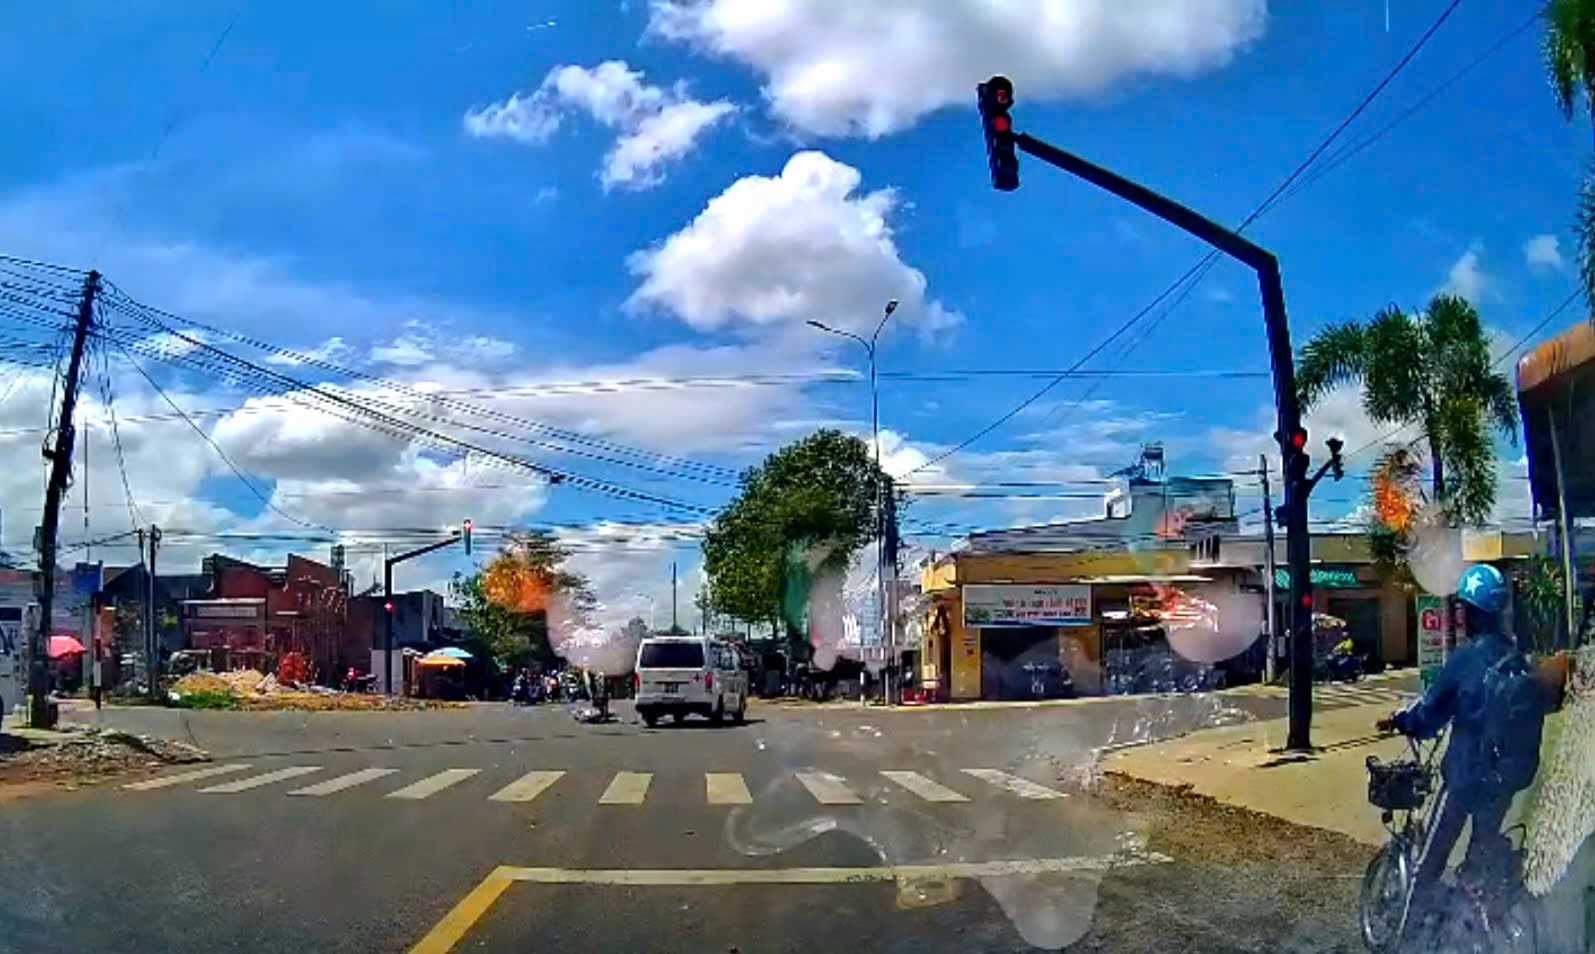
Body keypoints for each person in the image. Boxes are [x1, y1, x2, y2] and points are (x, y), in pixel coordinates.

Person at [1377, 563, 1550, 907]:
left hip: (1467, 776)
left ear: (1470, 612)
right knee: (1481, 849)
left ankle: (1412, 933)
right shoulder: (1518, 661)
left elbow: (1429, 716)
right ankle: (1479, 912)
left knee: (1431, 857)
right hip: (1508, 777)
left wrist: (1402, 722)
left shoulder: (1466, 658)